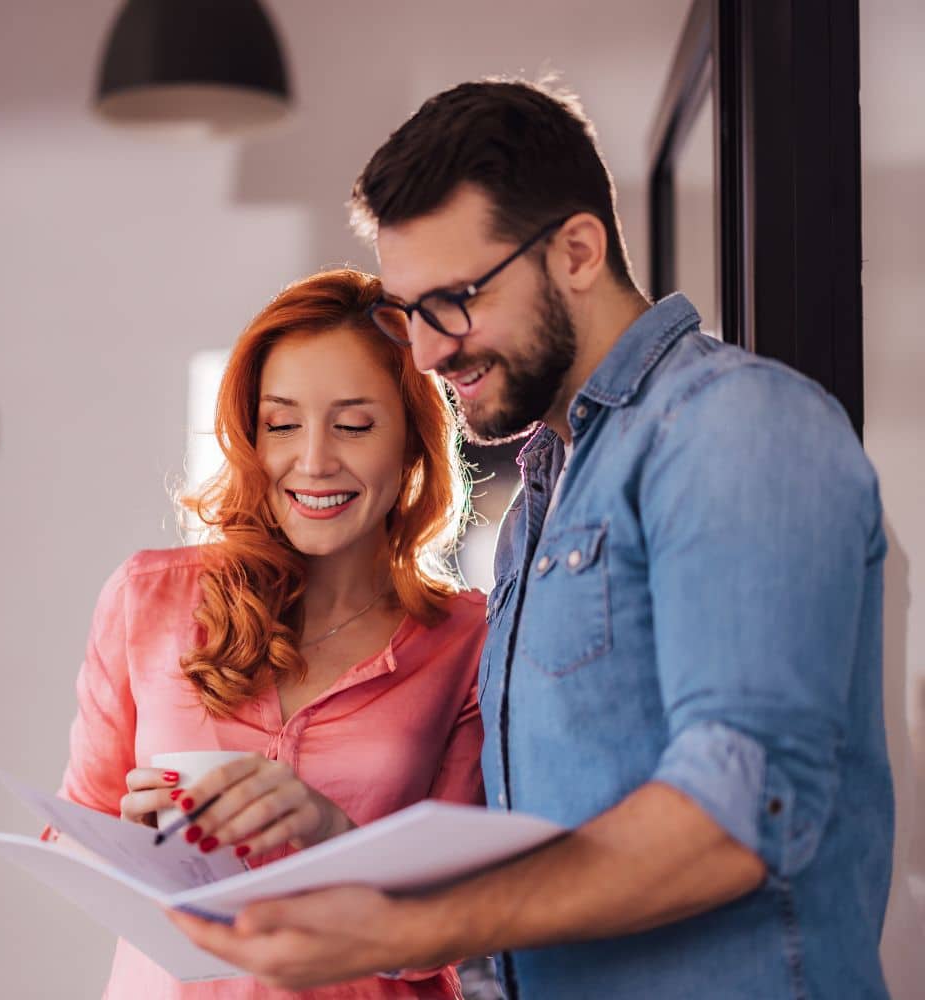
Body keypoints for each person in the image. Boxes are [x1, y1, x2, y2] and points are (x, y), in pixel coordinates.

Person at [170, 79, 895, 999]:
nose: (427, 354)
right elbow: (534, 867)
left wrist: (409, 920)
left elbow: (742, 809)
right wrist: (336, 857)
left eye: (454, 300)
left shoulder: (735, 426)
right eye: (409, 313)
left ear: (578, 252)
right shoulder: (542, 503)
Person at [52, 268, 490, 999]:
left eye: (354, 425)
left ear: (413, 443)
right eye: (282, 423)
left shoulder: (468, 642)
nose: (313, 461)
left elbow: (454, 928)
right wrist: (134, 850)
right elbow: (73, 831)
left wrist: (329, 831)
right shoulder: (149, 598)